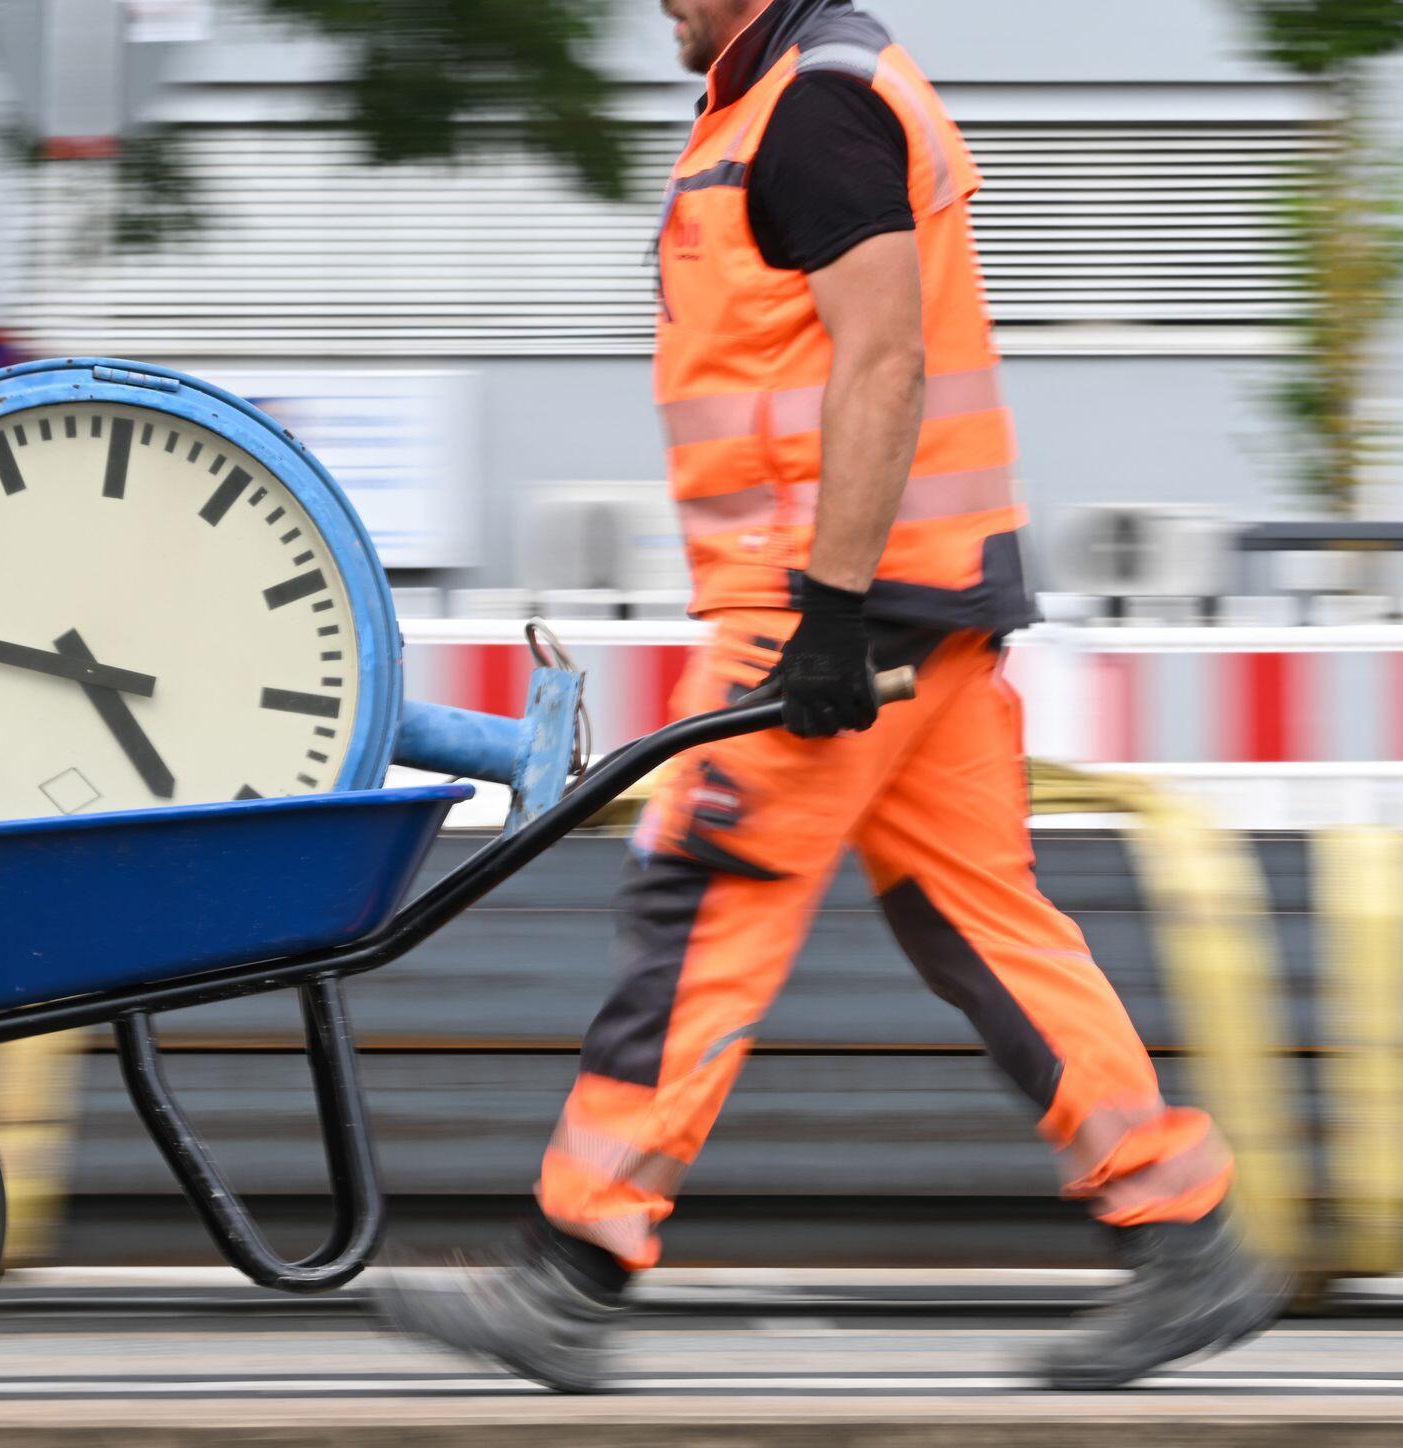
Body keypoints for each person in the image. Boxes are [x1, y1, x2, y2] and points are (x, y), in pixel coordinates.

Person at [376, 0, 1288, 1393]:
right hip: (924, 596)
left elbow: (884, 355)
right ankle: (1186, 1234)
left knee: (703, 897)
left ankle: (574, 1265)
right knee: (981, 923)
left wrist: (832, 610)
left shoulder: (817, 104)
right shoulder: (786, 93)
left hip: (833, 602)